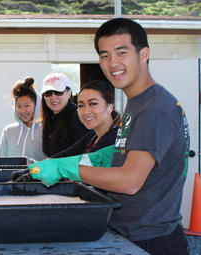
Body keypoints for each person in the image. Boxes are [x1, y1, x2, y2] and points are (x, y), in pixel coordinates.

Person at [21, 18, 190, 254]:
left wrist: (66, 168)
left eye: (121, 52)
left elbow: (130, 182)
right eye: (105, 55)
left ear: (144, 54)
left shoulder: (155, 108)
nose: (112, 64)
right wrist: (101, 156)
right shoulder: (139, 103)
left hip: (151, 239)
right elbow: (139, 154)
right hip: (133, 231)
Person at [10, 79, 119, 181]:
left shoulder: (115, 138)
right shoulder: (91, 136)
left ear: (110, 107)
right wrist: (31, 169)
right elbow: (64, 156)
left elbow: (82, 163)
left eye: (93, 104)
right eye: (81, 105)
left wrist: (36, 173)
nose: (86, 111)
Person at [39, 73, 89, 157]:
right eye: (48, 93)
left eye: (58, 92)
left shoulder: (78, 117)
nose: (53, 97)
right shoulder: (50, 119)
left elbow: (84, 152)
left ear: (69, 93)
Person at [0, 76, 46, 161]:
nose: (23, 110)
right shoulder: (8, 131)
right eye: (19, 106)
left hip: (37, 174)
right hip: (11, 175)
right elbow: (1, 161)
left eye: (27, 105)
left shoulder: (46, 129)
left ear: (37, 105)